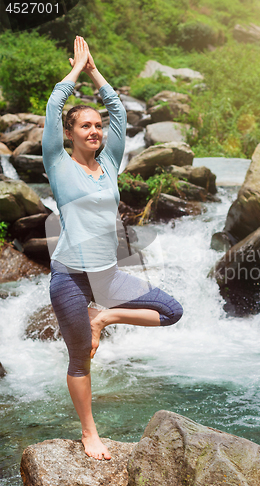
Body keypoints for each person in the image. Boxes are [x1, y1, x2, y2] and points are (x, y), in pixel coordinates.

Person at [42, 36, 183, 460]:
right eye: (85, 125)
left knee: (172, 311)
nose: (95, 130)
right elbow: (53, 106)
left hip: (108, 276)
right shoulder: (57, 163)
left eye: (97, 126)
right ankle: (90, 433)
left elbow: (118, 110)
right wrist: (72, 75)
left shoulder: (109, 164)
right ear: (69, 134)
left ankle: (104, 317)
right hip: (69, 276)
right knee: (80, 358)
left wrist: (94, 72)